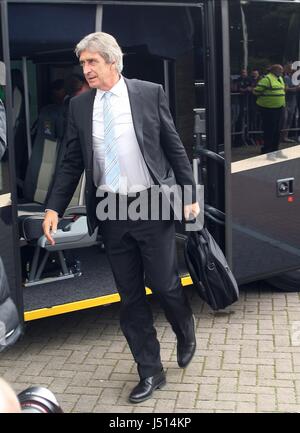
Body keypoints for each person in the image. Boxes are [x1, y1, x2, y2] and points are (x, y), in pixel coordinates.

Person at [42, 32, 200, 404]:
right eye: (83, 63)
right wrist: (53, 208)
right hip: (112, 211)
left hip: (151, 204)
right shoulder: (80, 107)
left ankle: (185, 327)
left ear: (113, 61)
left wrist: (189, 195)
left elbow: (173, 146)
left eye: (92, 62)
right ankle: (150, 371)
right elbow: (70, 163)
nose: (86, 69)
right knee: (130, 299)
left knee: (164, 284)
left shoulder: (148, 93)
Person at [253, 64, 286, 159]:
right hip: (268, 109)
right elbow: (256, 91)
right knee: (269, 131)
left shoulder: (279, 78)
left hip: (279, 108)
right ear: (275, 70)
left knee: (277, 131)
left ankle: (275, 151)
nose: (282, 72)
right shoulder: (266, 79)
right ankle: (267, 151)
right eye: (280, 70)